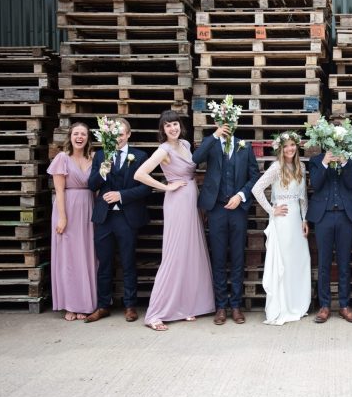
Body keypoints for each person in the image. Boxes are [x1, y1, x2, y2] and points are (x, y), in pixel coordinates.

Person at [133, 110, 216, 331]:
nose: (173, 128)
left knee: (191, 252)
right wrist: (166, 186)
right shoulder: (164, 150)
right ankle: (155, 313)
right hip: (177, 202)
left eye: (175, 124)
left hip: (191, 199)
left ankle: (187, 306)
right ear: (162, 129)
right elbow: (140, 174)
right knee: (174, 254)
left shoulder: (187, 145)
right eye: (168, 125)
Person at [192, 121, 259, 325]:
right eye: (222, 123)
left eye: (229, 123)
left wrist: (241, 195)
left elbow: (254, 175)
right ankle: (221, 306)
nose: (227, 126)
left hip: (237, 209)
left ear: (236, 123)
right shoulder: (210, 144)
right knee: (219, 258)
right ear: (217, 124)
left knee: (238, 257)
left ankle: (236, 305)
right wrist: (214, 136)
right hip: (216, 209)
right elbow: (195, 159)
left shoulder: (244, 146)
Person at [86, 118, 152, 323]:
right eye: (114, 135)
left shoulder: (140, 157)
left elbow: (145, 188)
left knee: (128, 261)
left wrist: (121, 195)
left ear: (129, 135)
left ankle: (130, 305)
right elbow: (91, 185)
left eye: (121, 134)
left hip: (127, 217)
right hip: (104, 217)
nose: (118, 138)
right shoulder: (100, 155)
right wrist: (102, 171)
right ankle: (103, 305)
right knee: (104, 263)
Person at [251, 131, 311, 325]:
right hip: (283, 220)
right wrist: (271, 210)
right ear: (281, 149)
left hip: (296, 221)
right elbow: (256, 189)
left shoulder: (300, 166)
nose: (290, 149)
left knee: (299, 260)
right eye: (286, 146)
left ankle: (297, 303)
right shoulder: (276, 167)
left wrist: (304, 219)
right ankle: (283, 306)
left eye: (293, 145)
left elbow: (303, 197)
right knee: (283, 263)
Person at [306, 116, 352, 324]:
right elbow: (317, 185)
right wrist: (325, 162)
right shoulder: (315, 161)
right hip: (324, 217)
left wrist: (345, 162)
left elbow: (350, 184)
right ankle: (325, 306)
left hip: (346, 216)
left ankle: (345, 305)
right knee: (324, 263)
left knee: (345, 262)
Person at [46, 122, 96, 321]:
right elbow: (58, 190)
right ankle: (70, 305)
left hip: (88, 208)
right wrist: (63, 216)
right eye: (76, 133)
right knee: (68, 258)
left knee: (86, 255)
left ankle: (85, 303)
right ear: (71, 136)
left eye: (83, 134)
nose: (79, 137)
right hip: (67, 208)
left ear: (87, 138)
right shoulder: (62, 158)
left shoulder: (92, 158)